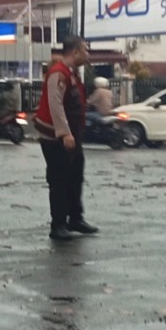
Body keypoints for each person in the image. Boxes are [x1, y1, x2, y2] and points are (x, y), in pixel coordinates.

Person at [33, 36, 95, 239]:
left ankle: (75, 218)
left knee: (75, 176)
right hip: (55, 136)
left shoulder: (71, 74)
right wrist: (65, 133)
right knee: (59, 179)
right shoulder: (58, 74)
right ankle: (58, 225)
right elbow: (55, 105)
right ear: (75, 52)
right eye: (85, 50)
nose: (87, 55)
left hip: (71, 135)